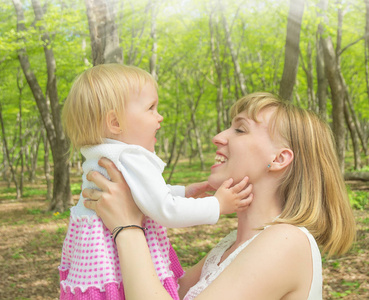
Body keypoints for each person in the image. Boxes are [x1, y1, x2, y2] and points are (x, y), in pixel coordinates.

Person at [84, 92, 356, 300]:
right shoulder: (230, 247)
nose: (218, 137)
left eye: (240, 129)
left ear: (279, 158)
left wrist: (127, 228)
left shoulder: (287, 240)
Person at [58, 64, 252, 300]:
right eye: (151, 108)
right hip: (115, 267)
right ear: (115, 123)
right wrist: (218, 205)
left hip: (94, 265)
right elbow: (165, 210)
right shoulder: (130, 156)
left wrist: (182, 192)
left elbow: (140, 196)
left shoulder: (102, 155)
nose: (159, 117)